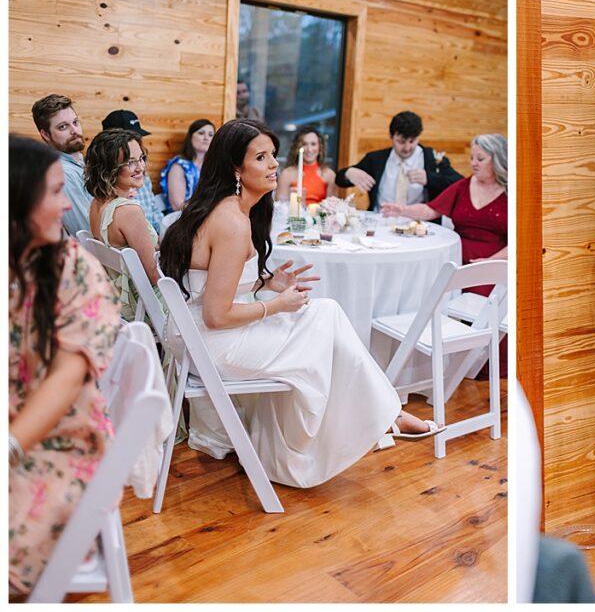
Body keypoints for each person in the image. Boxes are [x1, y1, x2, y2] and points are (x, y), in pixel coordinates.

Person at [158, 119, 438, 489]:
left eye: (273, 154)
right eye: (261, 157)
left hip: (193, 335)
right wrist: (277, 305)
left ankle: (386, 415)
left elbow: (209, 283)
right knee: (324, 326)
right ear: (235, 169)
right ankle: (385, 416)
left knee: (326, 315)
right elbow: (217, 314)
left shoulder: (226, 209)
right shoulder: (231, 222)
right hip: (211, 344)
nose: (274, 163)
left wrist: (266, 282)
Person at [9, 135, 121, 596]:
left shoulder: (74, 269)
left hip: (59, 444)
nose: (67, 204)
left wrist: (9, 445)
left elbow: (68, 374)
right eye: (55, 192)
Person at [381, 133, 508, 267]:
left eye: (480, 159)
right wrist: (402, 210)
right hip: (454, 261)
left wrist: (490, 262)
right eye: (472, 158)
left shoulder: (512, 193)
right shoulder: (462, 186)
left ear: (497, 160)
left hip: (496, 266)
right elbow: (430, 210)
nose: (473, 163)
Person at [85, 128, 162, 321]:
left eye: (141, 158)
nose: (140, 167)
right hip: (147, 307)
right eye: (130, 162)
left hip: (119, 303)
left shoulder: (96, 204)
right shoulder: (128, 211)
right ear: (109, 168)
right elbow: (155, 276)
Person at [336, 110, 462, 210]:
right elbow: (339, 180)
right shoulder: (376, 159)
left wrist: (430, 178)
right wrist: (348, 173)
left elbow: (459, 183)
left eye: (412, 141)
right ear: (391, 136)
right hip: (381, 221)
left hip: (418, 225)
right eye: (401, 141)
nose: (407, 148)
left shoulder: (433, 159)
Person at [31, 94, 90, 237]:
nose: (74, 131)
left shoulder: (80, 162)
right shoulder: (63, 173)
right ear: (45, 135)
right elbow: (85, 231)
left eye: (75, 122)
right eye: (63, 127)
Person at [101, 109, 163, 234]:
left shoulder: (142, 173)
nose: (137, 145)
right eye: (129, 141)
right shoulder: (104, 189)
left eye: (138, 139)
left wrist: (164, 235)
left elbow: (154, 210)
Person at [160, 118, 215, 212]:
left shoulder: (212, 166)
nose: (206, 138)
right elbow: (177, 205)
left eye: (210, 135)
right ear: (190, 137)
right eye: (201, 133)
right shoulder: (179, 166)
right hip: (183, 216)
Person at [274, 125, 338, 204]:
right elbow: (280, 206)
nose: (309, 149)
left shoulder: (330, 175)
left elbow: (331, 208)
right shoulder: (287, 174)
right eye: (304, 144)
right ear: (297, 147)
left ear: (320, 147)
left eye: (313, 144)